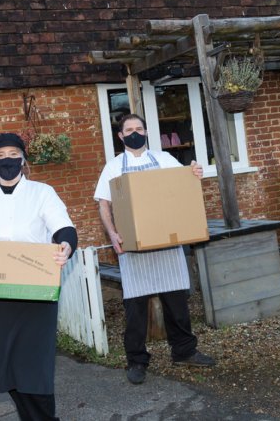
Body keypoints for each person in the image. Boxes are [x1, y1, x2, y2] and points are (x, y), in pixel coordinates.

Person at [0, 133, 76, 421]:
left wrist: (66, 244)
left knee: (35, 364)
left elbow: (63, 226)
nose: (6, 159)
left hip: (34, 292)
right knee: (4, 365)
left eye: (13, 153)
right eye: (0, 155)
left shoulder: (42, 192)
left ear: (23, 159)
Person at [94, 113, 216, 385]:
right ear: (121, 136)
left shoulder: (164, 160)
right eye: (129, 130)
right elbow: (104, 204)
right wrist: (113, 234)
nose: (134, 133)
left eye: (139, 128)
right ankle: (136, 360)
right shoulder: (113, 167)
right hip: (133, 248)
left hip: (167, 243)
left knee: (177, 304)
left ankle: (184, 350)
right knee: (135, 309)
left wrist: (195, 172)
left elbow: (183, 187)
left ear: (146, 132)